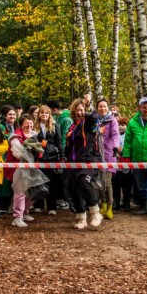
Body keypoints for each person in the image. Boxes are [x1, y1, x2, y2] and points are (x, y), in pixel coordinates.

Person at [64, 98, 103, 229]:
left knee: (84, 182)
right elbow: (69, 147)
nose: (79, 112)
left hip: (90, 160)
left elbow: (94, 117)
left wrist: (88, 104)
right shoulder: (72, 127)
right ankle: (81, 218)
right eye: (77, 110)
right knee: (75, 188)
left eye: (81, 110)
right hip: (74, 161)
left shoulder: (88, 123)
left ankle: (96, 213)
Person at [6, 114, 47, 227]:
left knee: (33, 190)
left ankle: (25, 211)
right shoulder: (15, 136)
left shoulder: (35, 134)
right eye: (26, 123)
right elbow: (17, 152)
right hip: (19, 167)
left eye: (30, 122)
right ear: (22, 124)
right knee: (20, 191)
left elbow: (42, 148)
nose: (29, 125)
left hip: (33, 167)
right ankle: (17, 217)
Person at [34, 105, 63, 215]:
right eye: (42, 113)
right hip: (39, 156)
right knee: (38, 181)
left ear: (49, 114)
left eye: (46, 113)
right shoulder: (35, 126)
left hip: (52, 156)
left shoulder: (55, 126)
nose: (44, 115)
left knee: (52, 182)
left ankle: (52, 207)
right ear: (39, 114)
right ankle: (39, 205)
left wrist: (62, 156)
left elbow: (59, 142)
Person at [96, 99, 121, 219]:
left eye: (105, 106)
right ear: (97, 108)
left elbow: (116, 135)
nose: (103, 108)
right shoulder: (95, 120)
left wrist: (116, 147)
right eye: (100, 106)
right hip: (97, 154)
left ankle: (110, 206)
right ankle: (103, 204)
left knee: (107, 182)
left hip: (109, 153)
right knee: (99, 181)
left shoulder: (112, 120)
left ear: (108, 108)